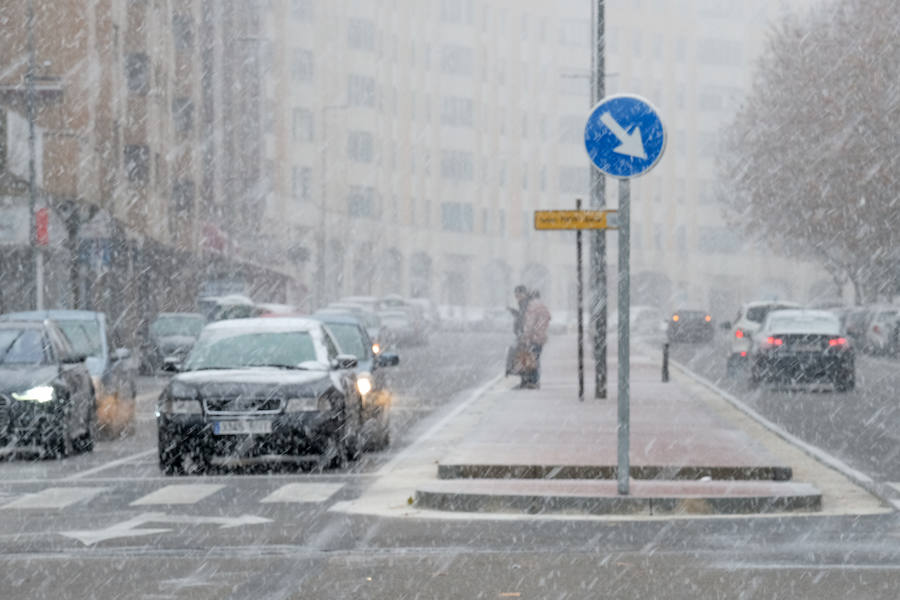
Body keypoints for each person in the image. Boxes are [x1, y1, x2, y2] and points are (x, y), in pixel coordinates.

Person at [520, 289, 551, 389]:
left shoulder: (532, 307)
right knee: (536, 358)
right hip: (541, 337)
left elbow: (530, 323)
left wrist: (526, 335)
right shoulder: (543, 306)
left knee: (532, 359)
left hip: (533, 337)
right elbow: (548, 317)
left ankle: (533, 381)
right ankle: (536, 380)